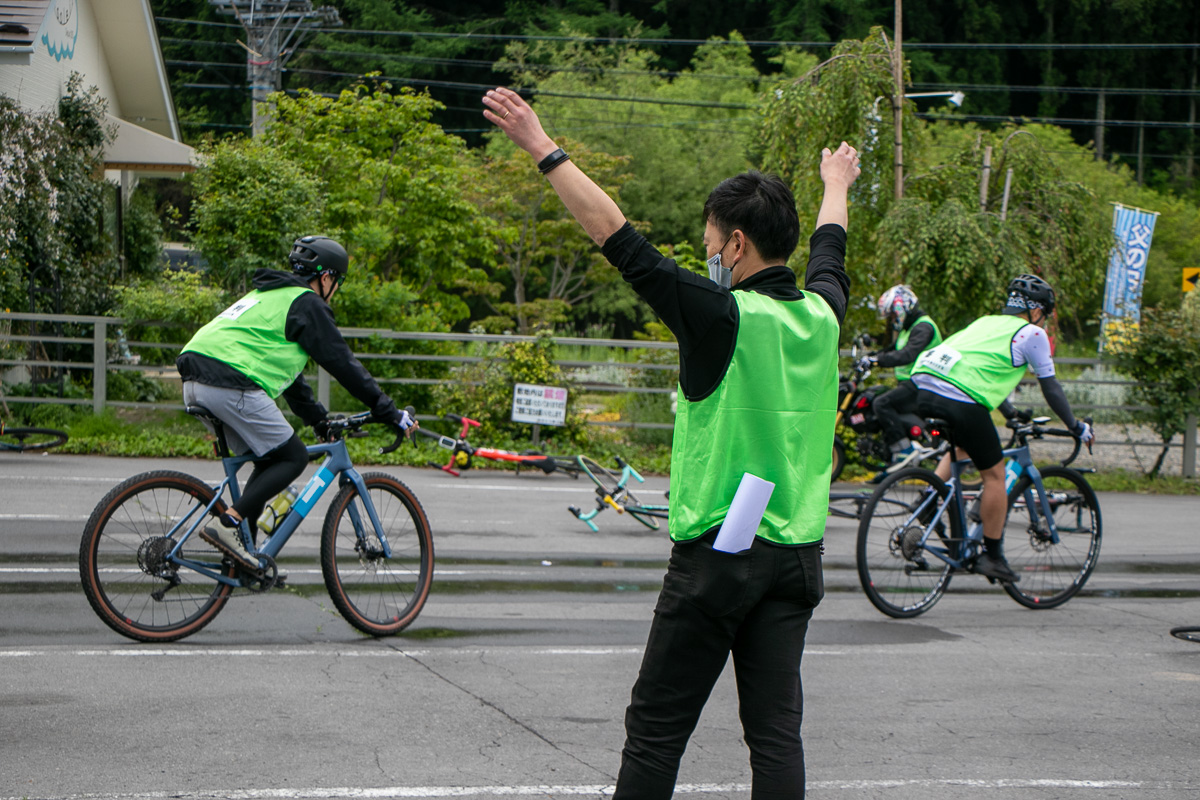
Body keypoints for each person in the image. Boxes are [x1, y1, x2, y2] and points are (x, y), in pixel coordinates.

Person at [482, 86, 859, 799]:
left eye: (711, 241)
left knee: (655, 731)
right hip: (797, 560)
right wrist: (835, 184)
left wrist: (542, 146)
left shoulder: (720, 315)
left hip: (720, 558)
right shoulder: (822, 315)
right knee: (776, 735)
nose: (706, 252)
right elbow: (831, 250)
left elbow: (619, 240)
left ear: (736, 244)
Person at [176, 235, 415, 570]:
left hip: (196, 376)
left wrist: (318, 419)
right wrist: (388, 411)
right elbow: (343, 364)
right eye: (337, 282)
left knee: (269, 456)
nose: (335, 290)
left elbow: (290, 381)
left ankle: (245, 547)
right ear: (326, 277)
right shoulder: (308, 303)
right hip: (228, 380)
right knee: (294, 456)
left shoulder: (269, 295)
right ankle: (228, 525)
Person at [909, 273, 1094, 582]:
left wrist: (1009, 412)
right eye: (1044, 316)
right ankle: (992, 556)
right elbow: (1051, 389)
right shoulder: (1031, 334)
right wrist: (1076, 427)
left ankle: (927, 502)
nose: (1044, 323)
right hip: (960, 398)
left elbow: (976, 370)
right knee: (995, 476)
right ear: (1036, 311)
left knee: (962, 445)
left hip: (924, 387)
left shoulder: (985, 322)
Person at [860, 284, 942, 481]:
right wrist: (871, 357)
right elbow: (891, 350)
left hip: (924, 384)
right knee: (879, 399)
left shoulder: (923, 327)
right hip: (911, 383)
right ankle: (893, 459)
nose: (893, 320)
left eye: (893, 315)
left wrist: (879, 360)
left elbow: (907, 354)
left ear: (901, 308)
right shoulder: (909, 329)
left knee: (882, 403)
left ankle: (904, 450)